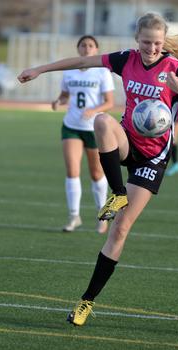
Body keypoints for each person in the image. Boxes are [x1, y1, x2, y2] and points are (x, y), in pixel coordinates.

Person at [18, 12, 178, 327]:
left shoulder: (175, 69)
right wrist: (40, 70)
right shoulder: (125, 60)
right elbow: (81, 62)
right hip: (127, 141)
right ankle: (118, 192)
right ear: (136, 40)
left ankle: (85, 302)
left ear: (163, 42)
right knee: (101, 121)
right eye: (146, 42)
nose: (152, 48)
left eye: (157, 43)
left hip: (153, 159)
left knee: (120, 230)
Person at [51, 35, 115, 234]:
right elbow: (65, 95)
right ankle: (73, 216)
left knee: (96, 172)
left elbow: (109, 102)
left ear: (96, 49)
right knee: (72, 171)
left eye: (90, 45)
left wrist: (93, 110)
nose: (87, 48)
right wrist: (58, 101)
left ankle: (102, 215)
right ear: (78, 49)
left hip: (95, 128)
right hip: (71, 126)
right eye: (83, 45)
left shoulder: (102, 72)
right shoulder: (69, 71)